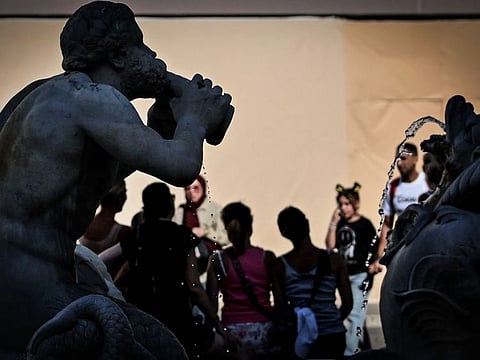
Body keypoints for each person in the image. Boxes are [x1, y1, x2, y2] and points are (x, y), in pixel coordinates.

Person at [0, 0, 232, 356]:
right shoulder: (96, 98)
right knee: (165, 351)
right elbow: (182, 168)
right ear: (120, 56)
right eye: (141, 45)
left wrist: (159, 129)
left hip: (20, 277)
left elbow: (81, 181)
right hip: (30, 283)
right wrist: (195, 118)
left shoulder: (41, 93)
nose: (152, 53)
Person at [120, 182, 229, 359]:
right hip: (178, 320)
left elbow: (110, 264)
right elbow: (194, 285)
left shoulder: (137, 235)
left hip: (142, 321)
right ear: (169, 204)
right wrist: (216, 322)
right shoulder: (183, 235)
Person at [273, 206, 353, 360]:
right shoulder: (334, 260)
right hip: (333, 334)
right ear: (307, 225)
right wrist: (331, 322)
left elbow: (280, 308)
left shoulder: (280, 265)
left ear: (284, 233)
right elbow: (348, 303)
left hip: (300, 336)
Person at [206, 202, 278, 360]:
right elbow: (280, 301)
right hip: (265, 332)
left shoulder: (218, 260)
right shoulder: (267, 258)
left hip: (232, 334)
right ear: (250, 226)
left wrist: (219, 329)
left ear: (226, 227)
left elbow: (211, 304)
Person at [325, 183, 377, 356]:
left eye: (347, 204)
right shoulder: (339, 224)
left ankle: (349, 353)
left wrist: (374, 264)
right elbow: (330, 246)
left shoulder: (365, 224)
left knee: (353, 314)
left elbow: (375, 247)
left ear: (355, 204)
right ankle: (362, 349)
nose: (343, 208)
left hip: (360, 276)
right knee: (356, 315)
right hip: (344, 276)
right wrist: (333, 223)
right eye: (341, 204)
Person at [369, 142, 430, 274]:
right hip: (402, 248)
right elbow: (387, 224)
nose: (399, 163)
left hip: (425, 244)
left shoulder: (427, 182)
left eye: (403, 158)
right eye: (397, 159)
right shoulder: (393, 187)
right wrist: (379, 257)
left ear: (415, 159)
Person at [174, 175, 229, 274]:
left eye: (196, 188)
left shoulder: (215, 210)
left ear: (203, 188)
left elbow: (226, 238)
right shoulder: (180, 212)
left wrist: (205, 232)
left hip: (213, 267)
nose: (191, 192)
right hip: (187, 268)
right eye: (187, 188)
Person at [78, 180, 132, 278]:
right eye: (124, 193)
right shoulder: (122, 232)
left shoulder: (84, 223)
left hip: (80, 277)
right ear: (118, 198)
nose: (126, 198)